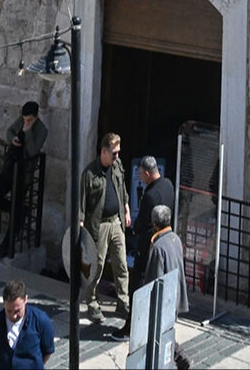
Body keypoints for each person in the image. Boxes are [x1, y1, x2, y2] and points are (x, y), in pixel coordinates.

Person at [79, 131, 131, 327]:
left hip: (116, 222)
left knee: (121, 264)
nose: (117, 156)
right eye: (114, 153)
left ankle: (123, 301)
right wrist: (81, 224)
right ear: (104, 152)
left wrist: (125, 209)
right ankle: (91, 301)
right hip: (98, 225)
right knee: (97, 266)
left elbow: (122, 188)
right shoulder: (90, 173)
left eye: (118, 152)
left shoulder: (117, 166)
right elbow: (82, 201)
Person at [0, 100, 49, 260]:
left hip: (23, 174)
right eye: (24, 119)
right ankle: (21, 212)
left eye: (29, 120)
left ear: (35, 117)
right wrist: (13, 138)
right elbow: (9, 131)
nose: (25, 122)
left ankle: (6, 245)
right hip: (10, 168)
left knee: (16, 211)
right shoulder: (21, 121)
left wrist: (28, 131)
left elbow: (32, 151)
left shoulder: (42, 130)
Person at [141, 203, 190, 370]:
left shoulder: (158, 247)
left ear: (154, 224)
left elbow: (155, 279)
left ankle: (179, 357)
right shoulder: (175, 239)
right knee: (165, 332)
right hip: (175, 295)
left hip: (165, 301)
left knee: (160, 334)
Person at [0, 277, 55, 370]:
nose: (13, 316)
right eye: (9, 311)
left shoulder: (40, 320)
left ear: (26, 300)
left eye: (17, 311)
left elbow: (47, 351)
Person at [134, 155, 176, 279]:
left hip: (150, 243)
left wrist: (134, 229)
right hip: (167, 237)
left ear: (147, 174)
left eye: (141, 174)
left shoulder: (150, 196)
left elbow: (141, 222)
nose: (140, 178)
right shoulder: (168, 184)